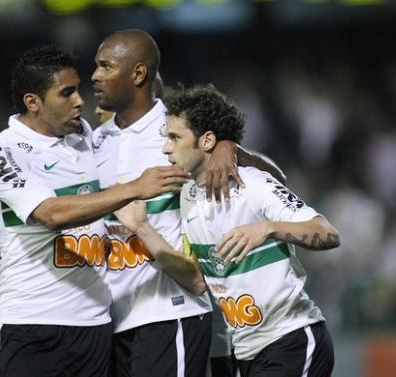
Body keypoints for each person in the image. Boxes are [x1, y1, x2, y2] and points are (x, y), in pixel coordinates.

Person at [0, 45, 190, 377]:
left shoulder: (82, 138)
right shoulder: (1, 154)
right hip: (35, 327)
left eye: (78, 89)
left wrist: (225, 147)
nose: (80, 101)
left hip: (96, 327)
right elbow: (51, 214)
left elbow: (148, 110)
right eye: (66, 93)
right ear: (32, 102)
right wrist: (134, 188)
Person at [91, 29, 286, 377]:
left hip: (170, 310)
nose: (95, 76)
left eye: (106, 66)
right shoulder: (96, 141)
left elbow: (275, 181)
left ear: (138, 74)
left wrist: (230, 149)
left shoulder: (178, 130)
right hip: (114, 318)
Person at [116, 84, 340, 377]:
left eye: (175, 137)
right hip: (246, 352)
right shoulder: (188, 198)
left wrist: (268, 228)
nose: (165, 147)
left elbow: (327, 233)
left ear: (207, 140)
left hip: (292, 338)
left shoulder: (252, 184)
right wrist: (142, 229)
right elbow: (197, 282)